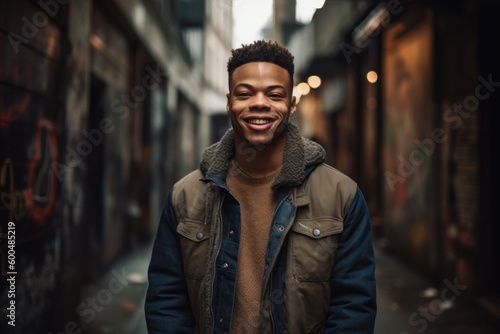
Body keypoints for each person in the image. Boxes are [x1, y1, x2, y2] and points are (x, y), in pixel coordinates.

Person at [145, 40, 377, 333]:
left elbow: (353, 308)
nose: (259, 103)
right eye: (245, 93)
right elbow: (166, 302)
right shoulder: (185, 196)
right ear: (229, 102)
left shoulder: (342, 196)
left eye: (274, 94)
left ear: (291, 105)